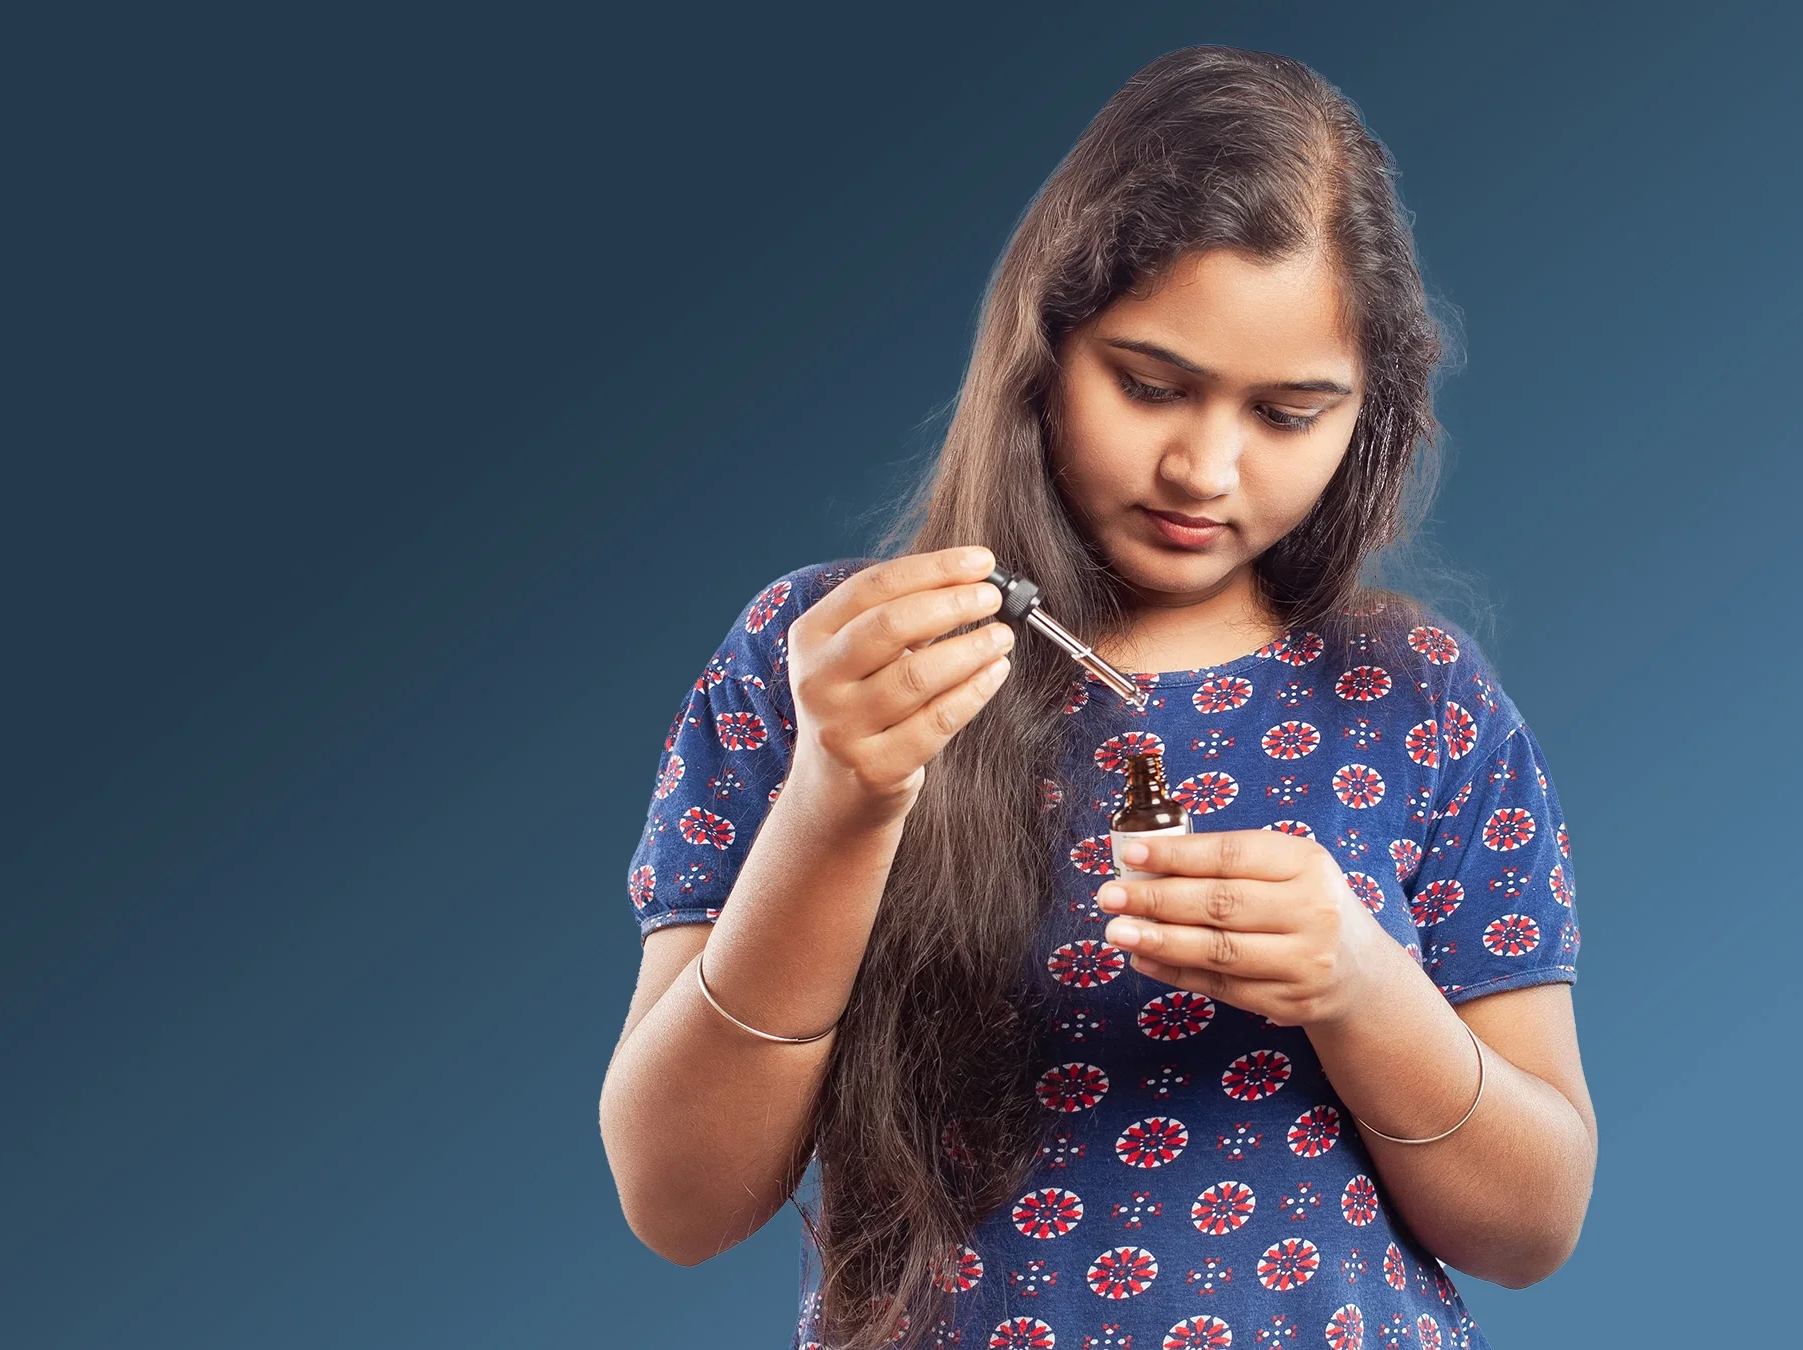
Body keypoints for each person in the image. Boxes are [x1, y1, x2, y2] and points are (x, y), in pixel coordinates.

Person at [599, 46, 1597, 1350]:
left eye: (1290, 412)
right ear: (1040, 347)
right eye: (1150, 383)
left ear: (1373, 414)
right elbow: (678, 1201)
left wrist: (1360, 982)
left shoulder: (1418, 700)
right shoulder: (820, 661)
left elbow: (1534, 1226)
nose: (1203, 466)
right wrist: (840, 798)